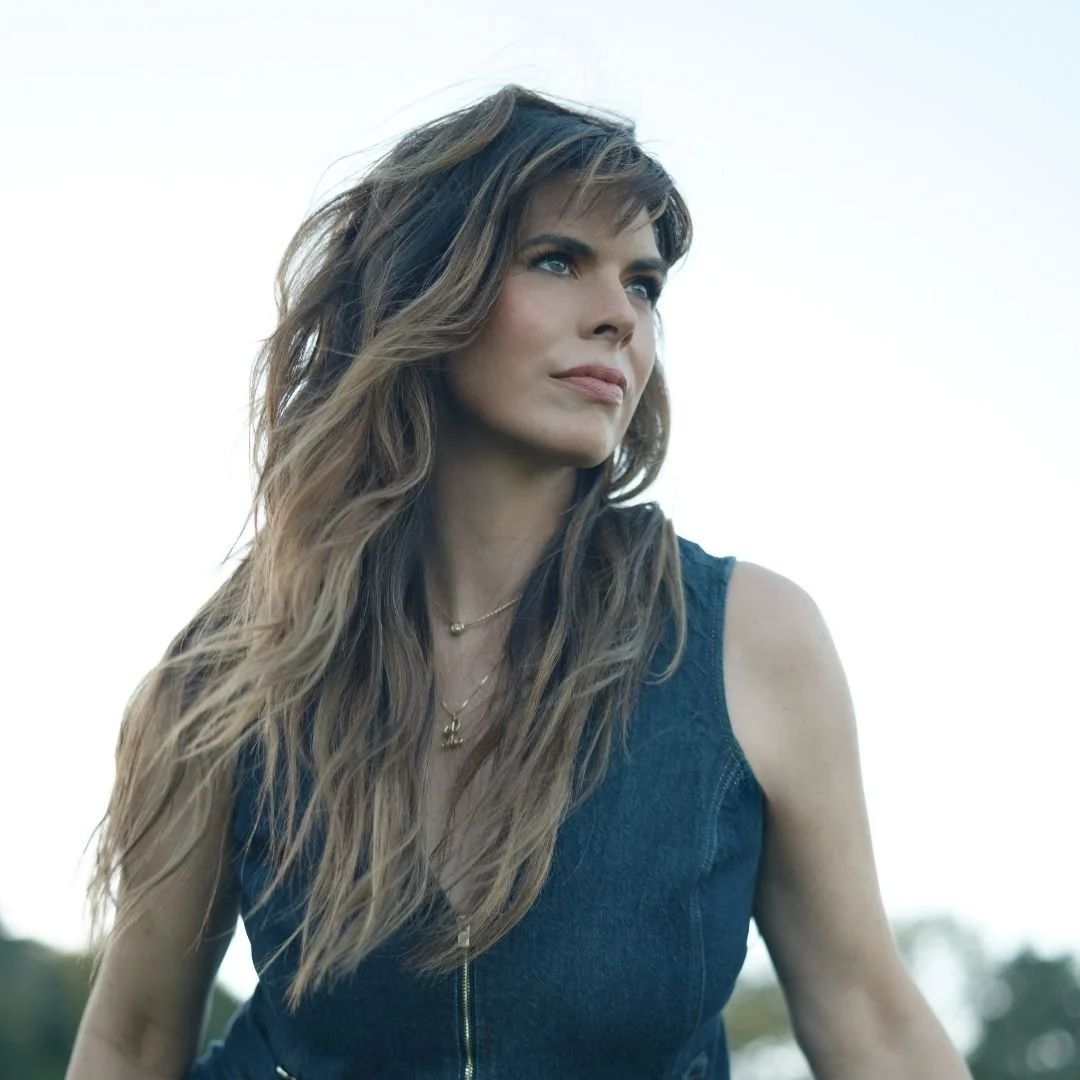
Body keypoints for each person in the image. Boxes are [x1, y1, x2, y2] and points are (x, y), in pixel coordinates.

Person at [67, 85, 972, 1080]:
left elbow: (869, 1019)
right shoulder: (235, 669)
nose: (620, 317)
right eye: (558, 260)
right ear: (425, 286)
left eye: (644, 284)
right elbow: (133, 1038)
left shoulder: (746, 640)